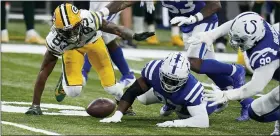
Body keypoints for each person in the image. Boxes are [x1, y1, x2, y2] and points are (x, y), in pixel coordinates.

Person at [98, 0, 253, 121]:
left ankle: (235, 70)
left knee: (195, 63)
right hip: (186, 25)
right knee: (212, 72)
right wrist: (101, 13)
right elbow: (124, 1)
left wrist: (193, 18)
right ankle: (246, 104)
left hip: (204, 21)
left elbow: (215, 5)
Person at [25, 3, 154, 115]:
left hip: (94, 43)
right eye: (66, 31)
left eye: (74, 28)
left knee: (112, 87)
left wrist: (134, 35)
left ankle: (125, 106)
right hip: (72, 49)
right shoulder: (56, 40)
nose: (71, 33)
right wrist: (35, 105)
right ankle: (65, 78)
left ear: (79, 21)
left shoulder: (88, 18)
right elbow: (44, 71)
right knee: (73, 92)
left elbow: (115, 28)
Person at [186, 12, 279, 135]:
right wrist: (211, 35)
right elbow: (234, 23)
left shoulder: (266, 53)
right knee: (258, 107)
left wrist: (226, 95)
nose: (235, 43)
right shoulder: (257, 23)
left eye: (241, 40)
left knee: (257, 111)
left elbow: (255, 87)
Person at [100, 52, 219, 128]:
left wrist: (174, 123)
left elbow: (203, 122)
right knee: (143, 98)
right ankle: (169, 103)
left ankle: (221, 100)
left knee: (183, 116)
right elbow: (133, 91)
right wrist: (117, 115)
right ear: (160, 70)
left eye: (174, 81)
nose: (168, 84)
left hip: (193, 106)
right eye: (166, 78)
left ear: (185, 78)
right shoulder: (153, 69)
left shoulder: (192, 90)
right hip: (170, 97)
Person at [81, 1, 136, 91]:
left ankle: (83, 72)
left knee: (95, 30)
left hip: (109, 3)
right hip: (94, 3)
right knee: (107, 38)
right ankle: (128, 75)